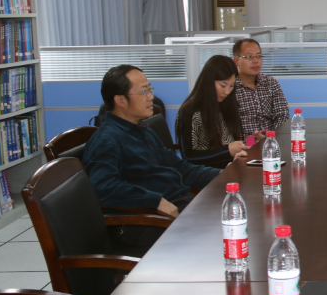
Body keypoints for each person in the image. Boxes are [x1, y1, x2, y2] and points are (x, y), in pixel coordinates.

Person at [83, 65, 220, 244]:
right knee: (229, 232)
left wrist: (223, 175)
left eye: (150, 89)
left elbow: (181, 168)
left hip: (179, 205)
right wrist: (154, 201)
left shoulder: (142, 130)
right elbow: (102, 186)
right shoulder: (106, 140)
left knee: (238, 216)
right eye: (143, 92)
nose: (151, 97)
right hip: (149, 220)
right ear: (120, 100)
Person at [176, 55, 249, 169]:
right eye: (223, 85)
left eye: (231, 86)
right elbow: (188, 156)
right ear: (209, 82)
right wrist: (227, 151)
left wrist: (252, 142)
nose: (227, 91)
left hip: (232, 168)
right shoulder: (190, 111)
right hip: (207, 173)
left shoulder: (228, 104)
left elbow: (236, 141)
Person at [232, 38, 289, 142]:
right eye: (249, 57)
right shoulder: (230, 88)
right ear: (236, 61)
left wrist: (270, 138)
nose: (255, 61)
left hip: (271, 143)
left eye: (258, 56)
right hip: (241, 148)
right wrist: (252, 141)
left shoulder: (271, 83)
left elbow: (282, 116)